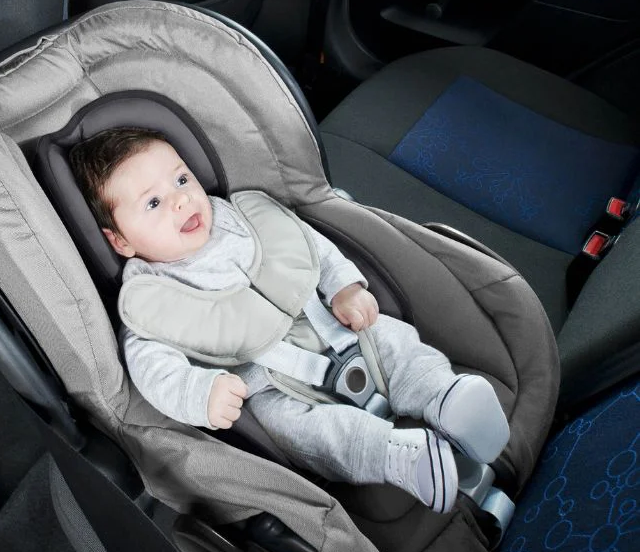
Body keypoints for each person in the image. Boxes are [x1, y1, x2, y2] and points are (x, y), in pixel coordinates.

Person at [69, 127, 510, 514]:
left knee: (398, 345)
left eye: (181, 179)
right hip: (274, 383)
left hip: (338, 328)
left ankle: (445, 397)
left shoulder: (240, 217)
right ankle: (396, 456)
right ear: (120, 241)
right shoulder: (151, 299)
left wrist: (344, 287)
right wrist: (200, 392)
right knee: (309, 435)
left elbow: (307, 247)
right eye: (153, 202)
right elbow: (152, 368)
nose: (181, 199)